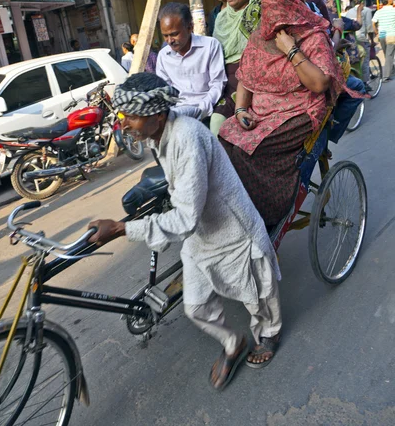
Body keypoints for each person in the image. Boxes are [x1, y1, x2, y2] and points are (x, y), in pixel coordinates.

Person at [87, 73, 282, 388]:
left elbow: (186, 217)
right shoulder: (158, 137)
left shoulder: (187, 138)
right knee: (195, 306)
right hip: (200, 235)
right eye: (124, 116)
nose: (125, 124)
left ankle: (269, 334)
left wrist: (123, 229)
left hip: (232, 230)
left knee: (257, 295)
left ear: (159, 115)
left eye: (132, 117)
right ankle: (233, 342)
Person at [219, 0, 353, 230]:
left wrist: (291, 49)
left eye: (280, 9)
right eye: (270, 10)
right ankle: (235, 210)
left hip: (298, 112)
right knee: (224, 139)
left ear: (292, 6)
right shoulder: (261, 36)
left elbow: (319, 83)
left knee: (249, 150)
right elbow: (246, 78)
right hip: (261, 113)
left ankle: (265, 214)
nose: (275, 17)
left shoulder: (312, 36)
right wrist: (239, 110)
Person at [275, 0, 365, 144]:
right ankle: (327, 137)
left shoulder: (275, 10)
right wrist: (338, 33)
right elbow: (325, 48)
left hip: (290, 75)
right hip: (311, 74)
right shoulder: (312, 7)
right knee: (357, 86)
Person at [211, 0, 262, 135]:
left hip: (256, 78)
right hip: (227, 81)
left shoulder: (260, 12)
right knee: (216, 125)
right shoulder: (221, 18)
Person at [156, 3, 226, 121]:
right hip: (177, 113)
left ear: (190, 27)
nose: (169, 41)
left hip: (208, 109)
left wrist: (201, 109)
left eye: (174, 34)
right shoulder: (163, 56)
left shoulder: (210, 46)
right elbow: (164, 91)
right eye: (165, 36)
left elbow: (217, 83)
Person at [345, 2, 374, 86]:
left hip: (348, 39)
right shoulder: (367, 10)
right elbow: (369, 27)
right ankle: (365, 84)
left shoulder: (349, 11)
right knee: (365, 61)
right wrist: (372, 40)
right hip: (360, 38)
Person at [372, 0, 395, 82]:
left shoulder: (379, 11)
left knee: (387, 54)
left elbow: (373, 23)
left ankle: (391, 70)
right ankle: (385, 76)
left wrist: (376, 32)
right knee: (389, 55)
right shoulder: (393, 10)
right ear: (389, 0)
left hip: (382, 35)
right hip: (391, 35)